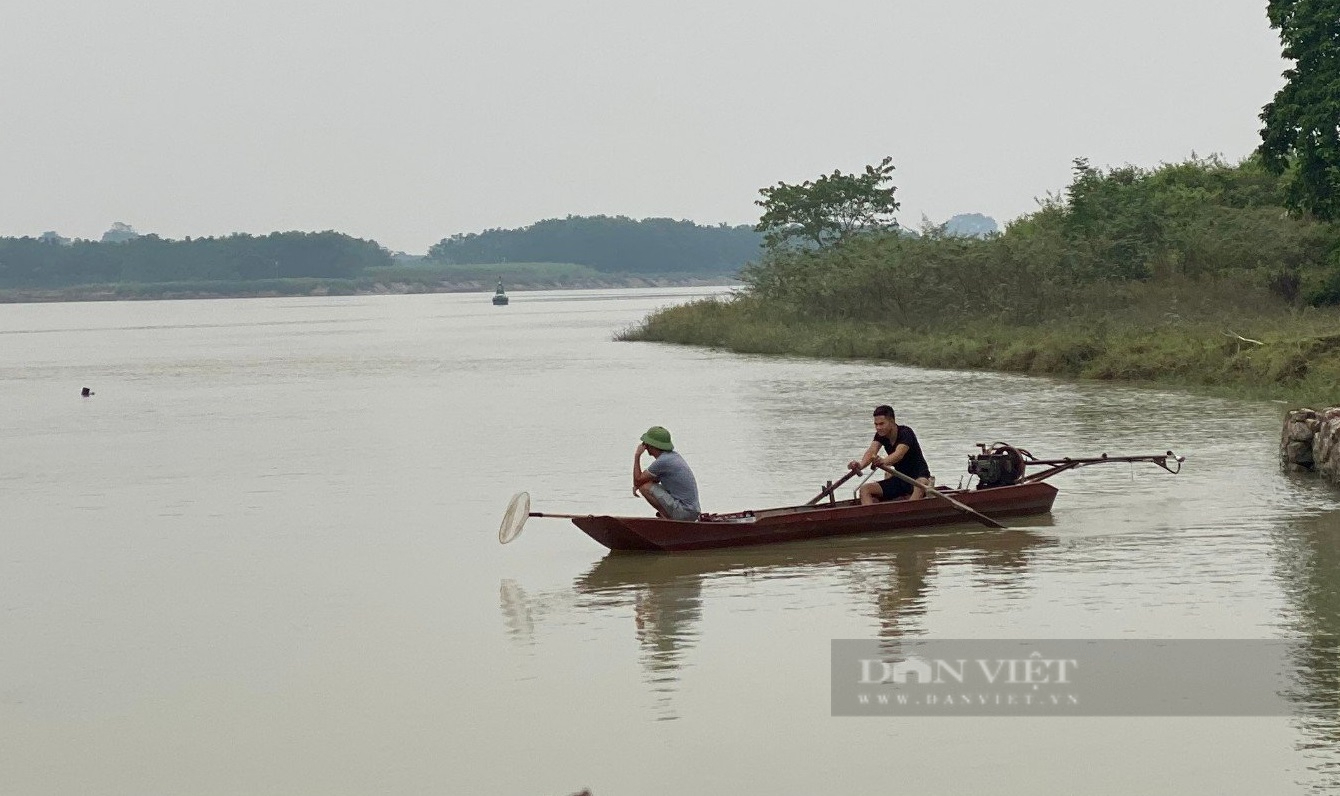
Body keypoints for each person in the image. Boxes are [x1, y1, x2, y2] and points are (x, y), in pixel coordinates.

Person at [847, 405, 932, 505]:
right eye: (876, 424)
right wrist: (860, 465)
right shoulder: (881, 435)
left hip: (918, 478)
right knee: (865, 489)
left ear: (892, 421)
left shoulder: (906, 433)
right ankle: (870, 518)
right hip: (899, 479)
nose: (878, 428)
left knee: (920, 485)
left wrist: (883, 461)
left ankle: (908, 514)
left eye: (882, 424)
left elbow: (899, 454)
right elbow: (871, 451)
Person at [632, 426, 701, 521]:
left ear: (652, 446)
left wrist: (637, 455)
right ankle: (668, 516)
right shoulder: (672, 457)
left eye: (645, 444)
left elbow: (638, 480)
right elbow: (648, 479)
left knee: (645, 488)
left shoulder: (663, 461)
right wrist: (639, 483)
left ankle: (668, 519)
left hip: (685, 512)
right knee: (646, 484)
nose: (645, 447)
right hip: (692, 511)